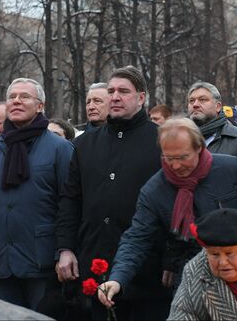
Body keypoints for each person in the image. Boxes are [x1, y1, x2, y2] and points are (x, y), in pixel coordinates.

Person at [96, 118, 237, 310]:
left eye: (183, 157)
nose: (176, 166)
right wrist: (117, 278)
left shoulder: (232, 169)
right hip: (194, 280)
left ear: (199, 147)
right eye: (169, 158)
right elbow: (137, 237)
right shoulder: (155, 190)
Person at [56, 65, 171, 320]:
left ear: (141, 98)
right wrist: (65, 248)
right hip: (96, 262)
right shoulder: (84, 143)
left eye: (124, 91)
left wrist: (171, 260)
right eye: (111, 91)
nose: (115, 97)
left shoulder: (162, 140)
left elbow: (174, 204)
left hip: (148, 269)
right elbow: (70, 200)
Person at [0, 78, 73, 311]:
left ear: (40, 105)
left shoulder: (59, 149)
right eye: (12, 97)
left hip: (41, 261)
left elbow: (69, 205)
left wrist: (64, 250)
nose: (16, 101)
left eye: (24, 96)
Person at [168, 208, 237, 320]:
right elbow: (181, 314)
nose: (223, 262)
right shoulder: (196, 271)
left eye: (229, 253)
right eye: (214, 254)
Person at [187, 81, 237, 170]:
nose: (195, 105)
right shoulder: (177, 139)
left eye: (202, 99)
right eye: (191, 101)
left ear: (218, 106)